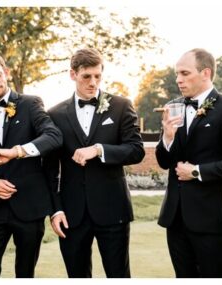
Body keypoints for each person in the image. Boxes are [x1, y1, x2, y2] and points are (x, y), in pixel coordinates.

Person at [44, 48, 145, 277]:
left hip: (113, 209)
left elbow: (135, 151)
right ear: (73, 74)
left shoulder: (121, 106)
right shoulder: (55, 114)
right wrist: (55, 210)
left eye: (98, 76)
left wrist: (99, 149)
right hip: (71, 213)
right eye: (86, 76)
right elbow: (49, 170)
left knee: (118, 275)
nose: (93, 83)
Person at [0, 52, 62, 277]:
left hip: (29, 207)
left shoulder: (30, 104)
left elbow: (53, 136)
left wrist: (16, 151)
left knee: (25, 274)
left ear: (6, 72)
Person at [156, 48, 222, 277]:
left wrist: (197, 172)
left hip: (213, 220)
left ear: (205, 73)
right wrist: (167, 137)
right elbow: (163, 161)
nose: (178, 79)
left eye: (185, 73)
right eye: (177, 74)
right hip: (176, 219)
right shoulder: (173, 106)